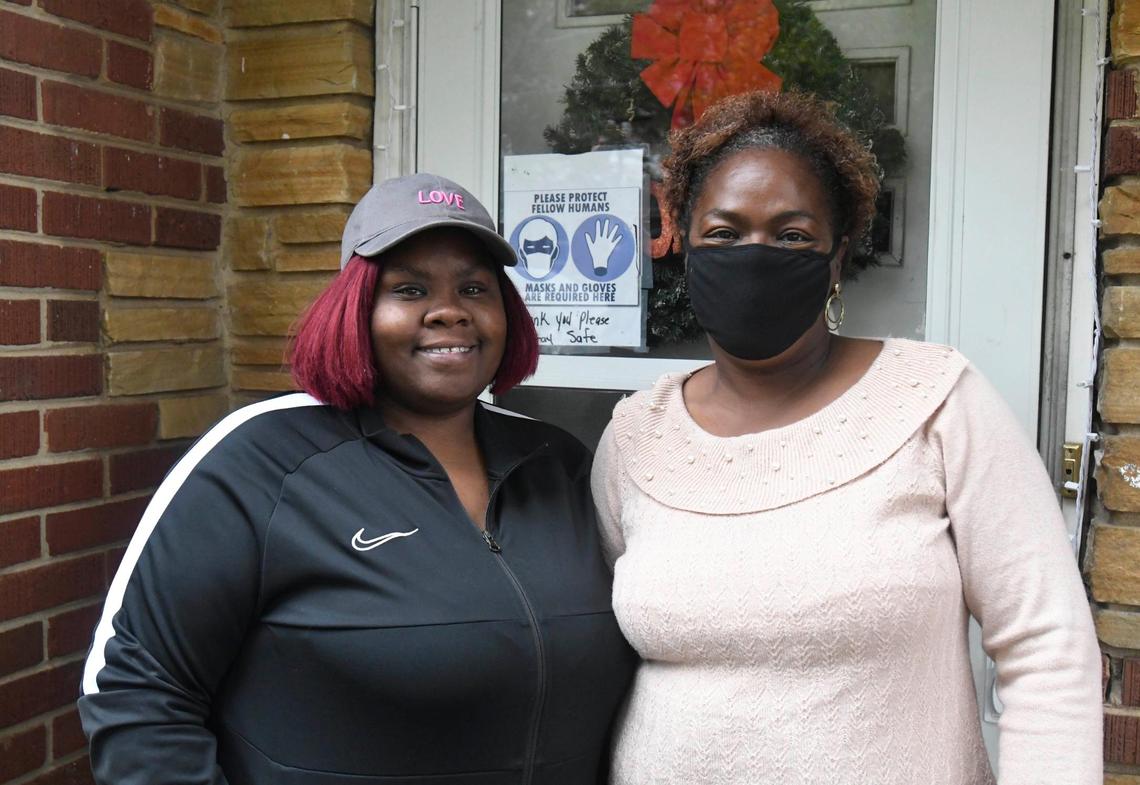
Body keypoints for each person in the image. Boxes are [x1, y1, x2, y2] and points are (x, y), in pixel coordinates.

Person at [591, 91, 1101, 784]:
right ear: (684, 244)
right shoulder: (636, 435)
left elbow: (1048, 645)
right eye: (724, 232)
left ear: (836, 260)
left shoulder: (937, 403)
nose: (755, 254)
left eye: (793, 235)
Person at [79, 172, 636, 785]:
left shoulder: (556, 463)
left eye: (475, 288)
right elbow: (139, 689)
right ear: (355, 310)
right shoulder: (261, 461)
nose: (450, 311)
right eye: (411, 289)